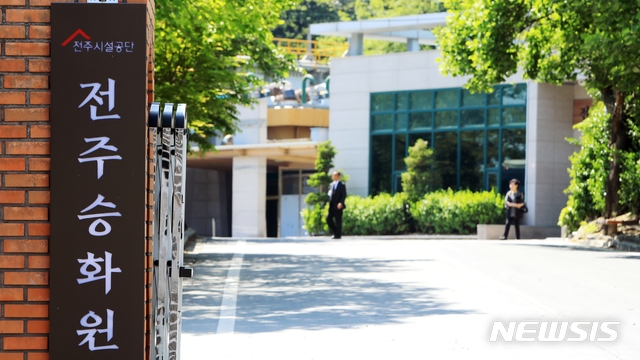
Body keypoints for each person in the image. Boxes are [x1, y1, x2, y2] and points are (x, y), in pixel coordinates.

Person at [326, 171, 347, 239]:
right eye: (333, 175)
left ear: (338, 176)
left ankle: (338, 235)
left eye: (335, 175)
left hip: (338, 205)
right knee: (328, 218)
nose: (334, 177)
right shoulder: (331, 184)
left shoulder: (342, 185)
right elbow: (330, 194)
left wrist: (341, 202)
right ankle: (335, 231)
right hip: (332, 205)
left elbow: (343, 195)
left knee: (338, 220)